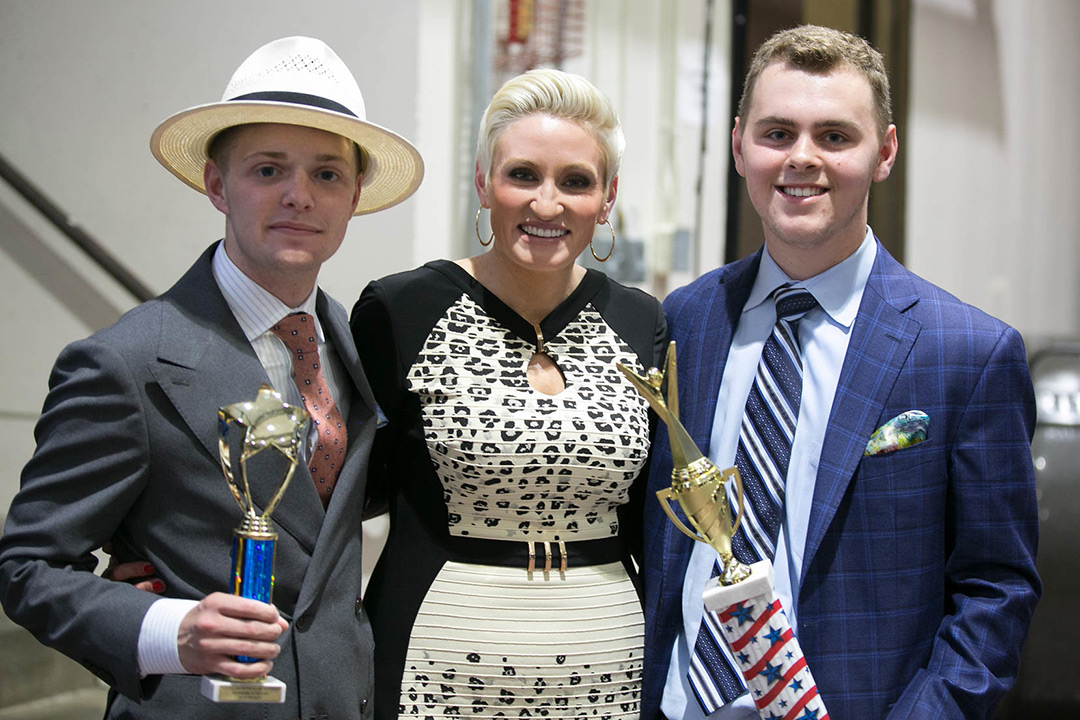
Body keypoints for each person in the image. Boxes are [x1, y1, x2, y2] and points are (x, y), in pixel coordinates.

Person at [0, 36, 423, 719]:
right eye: (267, 170)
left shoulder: (352, 342)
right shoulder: (125, 362)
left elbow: (321, 515)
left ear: (353, 197)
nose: (298, 196)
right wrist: (168, 631)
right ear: (217, 185)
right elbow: (28, 567)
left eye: (326, 174)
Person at [641, 25, 1040, 720]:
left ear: (883, 152)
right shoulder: (687, 321)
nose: (802, 159)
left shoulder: (969, 354)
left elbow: (995, 588)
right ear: (739, 146)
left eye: (834, 136)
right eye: (777, 133)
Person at [350, 68, 666, 718]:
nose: (546, 204)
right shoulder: (400, 310)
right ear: (482, 182)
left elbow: (653, 520)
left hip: (609, 667)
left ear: (607, 200)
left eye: (575, 181)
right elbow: (344, 492)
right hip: (433, 663)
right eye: (522, 174)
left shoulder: (642, 323)